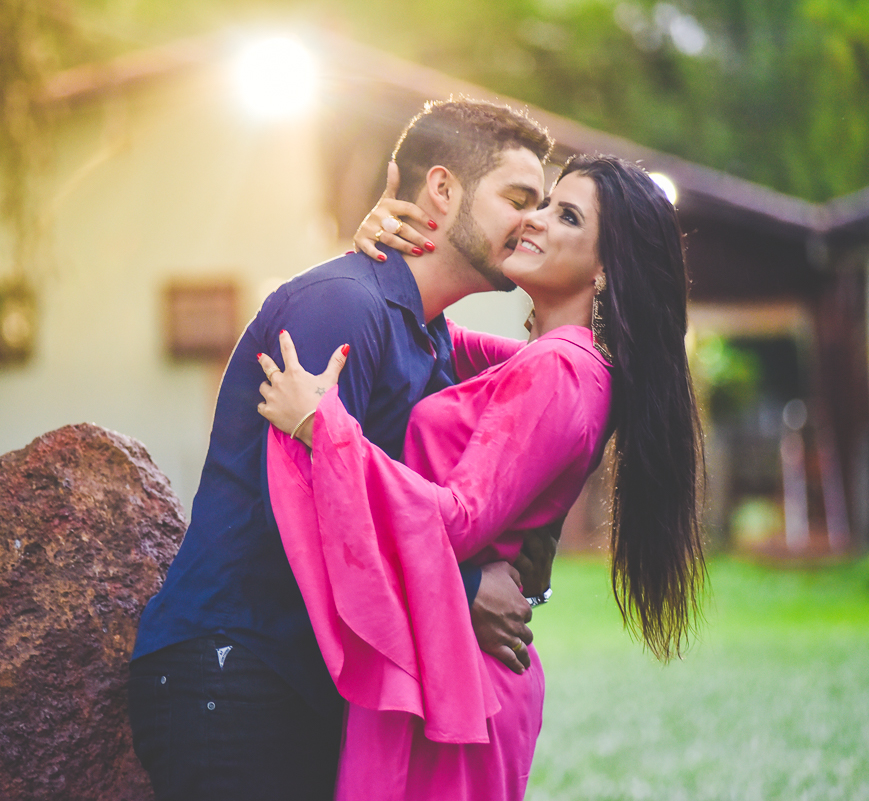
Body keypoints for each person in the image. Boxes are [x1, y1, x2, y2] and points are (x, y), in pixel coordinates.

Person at [127, 98, 557, 801]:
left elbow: (561, 379)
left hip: (306, 686)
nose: (534, 221)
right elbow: (301, 515)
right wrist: (467, 591)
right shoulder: (341, 306)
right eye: (519, 198)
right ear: (442, 191)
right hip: (234, 673)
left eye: (546, 207)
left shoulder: (433, 339)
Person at [255, 154, 706, 800]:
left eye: (566, 215)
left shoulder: (562, 372)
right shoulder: (556, 364)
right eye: (544, 203)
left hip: (461, 680)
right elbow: (430, 329)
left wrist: (319, 428)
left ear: (606, 270)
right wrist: (392, 250)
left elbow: (458, 518)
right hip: (451, 658)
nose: (535, 220)